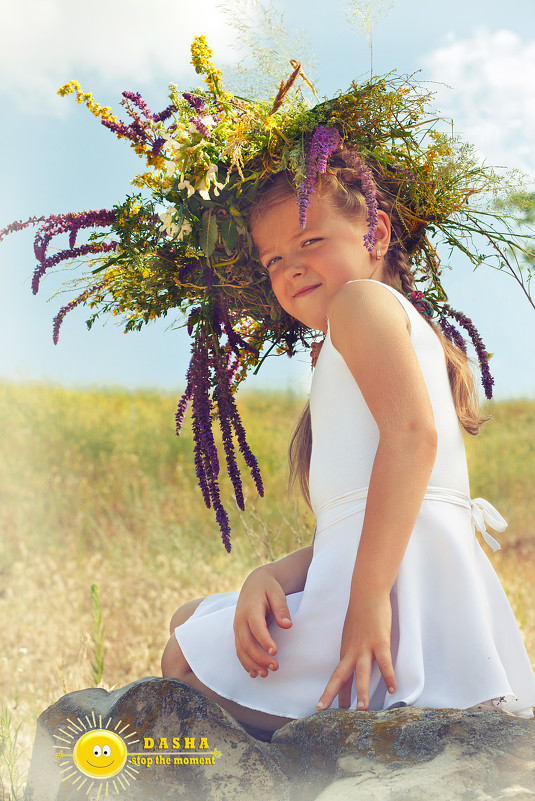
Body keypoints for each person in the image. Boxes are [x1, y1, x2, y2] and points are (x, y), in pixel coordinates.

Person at [161, 161, 535, 735]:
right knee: (191, 625)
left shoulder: (359, 303)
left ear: (376, 234)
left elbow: (414, 437)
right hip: (388, 581)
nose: (291, 268)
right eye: (273, 260)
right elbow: (360, 516)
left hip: (388, 599)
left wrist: (367, 607)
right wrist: (276, 573)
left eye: (310, 240)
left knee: (182, 663)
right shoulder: (359, 328)